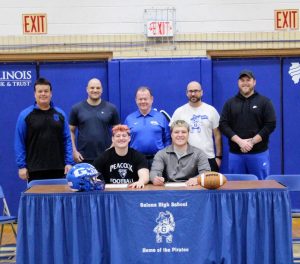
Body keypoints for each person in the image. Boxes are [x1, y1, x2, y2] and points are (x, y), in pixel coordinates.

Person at [219, 70, 276, 180]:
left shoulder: (264, 102)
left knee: (260, 188)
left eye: (248, 80)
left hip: (259, 154)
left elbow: (270, 124)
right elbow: (223, 124)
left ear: (254, 82)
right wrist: (240, 142)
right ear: (238, 83)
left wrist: (252, 142)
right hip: (236, 155)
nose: (245, 83)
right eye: (242, 80)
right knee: (236, 189)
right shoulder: (230, 103)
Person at [15, 77, 73, 182]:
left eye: (46, 91)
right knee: (36, 199)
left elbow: (67, 140)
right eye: (40, 91)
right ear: (35, 94)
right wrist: (21, 166)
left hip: (59, 168)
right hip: (34, 169)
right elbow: (19, 141)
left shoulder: (60, 114)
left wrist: (69, 162)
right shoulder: (25, 115)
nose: (43, 94)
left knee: (58, 199)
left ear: (51, 93)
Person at [170, 81, 222, 172]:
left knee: (209, 186)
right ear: (187, 93)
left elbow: (217, 135)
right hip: (185, 159)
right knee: (187, 186)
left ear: (201, 92)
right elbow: (173, 136)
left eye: (196, 91)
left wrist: (218, 157)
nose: (193, 94)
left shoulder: (211, 110)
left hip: (208, 158)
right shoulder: (179, 112)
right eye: (190, 91)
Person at [69, 78, 120, 164]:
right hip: (83, 158)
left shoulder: (111, 108)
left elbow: (118, 132)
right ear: (87, 89)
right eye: (92, 88)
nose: (95, 90)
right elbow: (71, 131)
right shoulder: (76, 109)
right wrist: (74, 151)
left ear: (102, 90)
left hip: (106, 158)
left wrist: (112, 149)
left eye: (98, 88)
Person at [150, 120, 211, 186]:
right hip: (169, 190)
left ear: (188, 134)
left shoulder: (199, 153)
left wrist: (197, 179)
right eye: (176, 132)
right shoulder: (161, 154)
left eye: (184, 132)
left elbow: (206, 173)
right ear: (171, 135)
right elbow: (154, 171)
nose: (180, 135)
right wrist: (155, 179)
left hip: (192, 188)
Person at [124, 86, 171, 168]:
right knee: (139, 181)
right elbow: (124, 140)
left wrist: (165, 156)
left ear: (151, 99)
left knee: (157, 181)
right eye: (140, 99)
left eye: (145, 99)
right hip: (135, 160)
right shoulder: (129, 119)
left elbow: (167, 139)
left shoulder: (161, 117)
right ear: (136, 100)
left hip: (158, 160)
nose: (143, 101)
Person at [93, 124, 149, 188]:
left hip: (131, 191)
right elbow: (94, 177)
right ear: (113, 139)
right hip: (111, 193)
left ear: (129, 138)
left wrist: (141, 181)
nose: (121, 138)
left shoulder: (138, 156)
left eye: (124, 136)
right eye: (118, 136)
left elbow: (144, 175)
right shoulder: (103, 157)